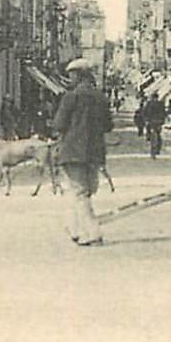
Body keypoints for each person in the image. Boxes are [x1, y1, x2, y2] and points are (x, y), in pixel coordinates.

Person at [51, 58, 113, 247]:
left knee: (79, 193)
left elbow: (59, 125)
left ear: (78, 75)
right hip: (95, 153)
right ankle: (75, 229)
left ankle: (93, 233)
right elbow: (108, 126)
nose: (70, 78)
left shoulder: (71, 97)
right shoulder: (100, 97)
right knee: (84, 192)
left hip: (72, 152)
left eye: (72, 74)